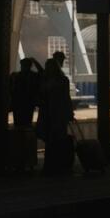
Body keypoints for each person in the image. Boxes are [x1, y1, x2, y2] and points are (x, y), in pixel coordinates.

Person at [40, 49, 75, 177]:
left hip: (49, 115)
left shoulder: (45, 82)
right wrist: (70, 113)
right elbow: (66, 98)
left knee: (50, 142)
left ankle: (50, 165)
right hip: (60, 115)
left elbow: (42, 98)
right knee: (59, 140)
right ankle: (60, 164)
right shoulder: (63, 80)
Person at [10, 55, 43, 173]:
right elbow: (42, 73)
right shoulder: (34, 77)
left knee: (18, 130)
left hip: (18, 107)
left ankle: (19, 159)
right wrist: (36, 62)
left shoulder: (16, 76)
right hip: (28, 107)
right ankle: (27, 158)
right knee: (27, 129)